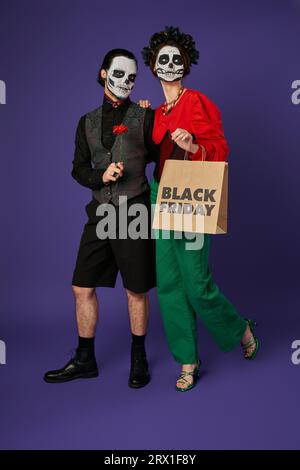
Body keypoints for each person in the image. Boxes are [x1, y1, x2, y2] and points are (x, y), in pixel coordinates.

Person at [142, 26, 259, 392]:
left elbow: (221, 150)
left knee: (196, 283)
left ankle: (239, 328)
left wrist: (193, 146)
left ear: (186, 65)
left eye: (177, 59)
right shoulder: (157, 113)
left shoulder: (197, 103)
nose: (171, 64)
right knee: (169, 285)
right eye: (164, 58)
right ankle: (187, 361)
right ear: (153, 65)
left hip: (190, 192)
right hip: (160, 193)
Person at [44, 49, 158, 388]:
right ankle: (85, 359)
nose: (126, 82)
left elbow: (164, 157)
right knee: (82, 287)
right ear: (104, 73)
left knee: (136, 290)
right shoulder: (87, 121)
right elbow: (78, 169)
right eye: (120, 74)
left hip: (134, 210)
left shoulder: (143, 116)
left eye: (133, 77)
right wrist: (100, 176)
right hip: (101, 212)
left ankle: (139, 358)